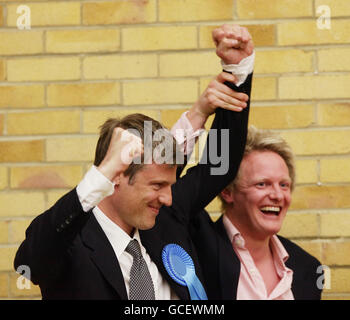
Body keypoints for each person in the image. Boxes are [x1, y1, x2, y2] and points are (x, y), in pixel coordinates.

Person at [14, 24, 254, 300]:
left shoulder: (164, 217)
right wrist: (99, 174)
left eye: (169, 185)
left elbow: (219, 166)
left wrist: (236, 72)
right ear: (116, 176)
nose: (167, 197)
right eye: (157, 185)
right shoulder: (72, 240)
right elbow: (29, 266)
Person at [188, 25, 322, 300]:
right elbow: (214, 167)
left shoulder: (308, 268)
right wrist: (237, 72)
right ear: (227, 190)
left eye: (284, 185)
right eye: (262, 183)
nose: (277, 195)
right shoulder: (196, 246)